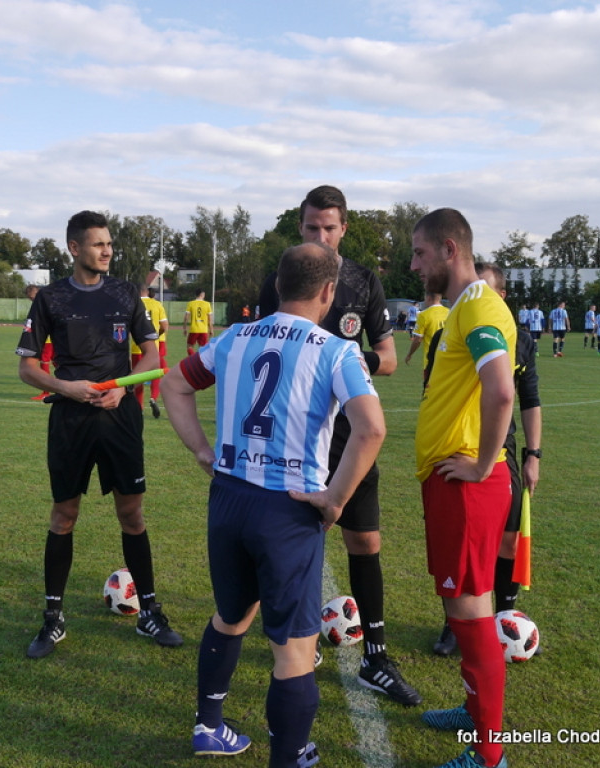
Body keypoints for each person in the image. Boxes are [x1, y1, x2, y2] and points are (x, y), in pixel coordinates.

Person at [162, 242, 386, 766]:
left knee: (231, 616)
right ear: (329, 292)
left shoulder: (236, 337)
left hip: (229, 499)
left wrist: (201, 450)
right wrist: (335, 500)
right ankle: (289, 757)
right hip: (288, 508)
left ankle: (209, 725)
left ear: (279, 286)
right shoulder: (336, 349)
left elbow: (174, 384)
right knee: (294, 648)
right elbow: (372, 428)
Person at [257, 185, 421, 706]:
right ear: (300, 228)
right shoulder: (281, 279)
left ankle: (375, 656)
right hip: (296, 439)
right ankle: (298, 640)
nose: (321, 236)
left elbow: (390, 358)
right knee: (290, 546)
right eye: (311, 228)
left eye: (329, 228)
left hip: (350, 438)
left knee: (364, 542)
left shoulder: (363, 282)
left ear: (344, 228)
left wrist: (343, 360)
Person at [15, 210, 183, 659]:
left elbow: (150, 355)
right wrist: (65, 387)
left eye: (109, 244)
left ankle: (149, 612)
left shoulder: (126, 292)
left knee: (132, 514)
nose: (107, 250)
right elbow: (27, 368)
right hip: (70, 420)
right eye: (97, 244)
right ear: (74, 248)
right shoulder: (50, 299)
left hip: (119, 418)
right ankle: (53, 619)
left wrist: (119, 390)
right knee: (63, 515)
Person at [411, 208, 516, 768]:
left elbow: (501, 392)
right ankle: (475, 713)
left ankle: (488, 755)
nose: (414, 264)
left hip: (468, 487)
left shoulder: (477, 305)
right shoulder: (462, 308)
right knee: (463, 607)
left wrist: (479, 466)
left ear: (449, 249)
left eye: (420, 253)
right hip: (451, 483)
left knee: (472, 614)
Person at [434, 263, 541, 659]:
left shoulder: (520, 340)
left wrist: (533, 454)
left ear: (502, 299)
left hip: (503, 452)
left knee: (509, 540)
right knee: (464, 552)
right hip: (461, 451)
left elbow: (528, 399)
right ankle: (454, 624)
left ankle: (505, 617)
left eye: (491, 294)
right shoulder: (451, 330)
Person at [130, 285, 169, 417]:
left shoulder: (132, 304)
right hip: (152, 347)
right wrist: (156, 335)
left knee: (137, 376)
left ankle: (139, 407)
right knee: (155, 374)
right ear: (148, 292)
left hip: (136, 347)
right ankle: (153, 397)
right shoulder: (157, 304)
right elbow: (164, 326)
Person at [405, 291, 448, 374]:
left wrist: (409, 354)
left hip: (431, 360)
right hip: (447, 359)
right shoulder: (450, 312)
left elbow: (418, 340)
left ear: (428, 298)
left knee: (429, 386)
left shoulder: (424, 315)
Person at [25, 285, 55, 400]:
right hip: (49, 338)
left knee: (44, 362)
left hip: (48, 339)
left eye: (33, 298)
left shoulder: (46, 303)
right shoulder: (46, 302)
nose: (32, 300)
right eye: (30, 299)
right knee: (57, 362)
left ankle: (46, 392)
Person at [184, 289, 213, 355]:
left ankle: (192, 360)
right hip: (204, 330)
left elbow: (186, 317)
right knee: (203, 349)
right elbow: (209, 319)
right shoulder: (207, 304)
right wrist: (211, 330)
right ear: (201, 294)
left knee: (189, 346)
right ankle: (200, 362)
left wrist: (185, 328)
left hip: (194, 329)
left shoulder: (191, 303)